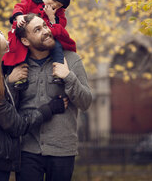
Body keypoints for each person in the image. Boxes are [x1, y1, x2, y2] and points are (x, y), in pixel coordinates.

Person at [0, 31, 69, 181]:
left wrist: (9, 83)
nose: (9, 46)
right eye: (4, 48)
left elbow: (7, 109)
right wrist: (49, 108)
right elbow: (17, 125)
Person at [7, 14, 93, 181]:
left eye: (45, 26)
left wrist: (68, 76)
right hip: (27, 150)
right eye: (37, 30)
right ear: (25, 40)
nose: (46, 31)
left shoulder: (71, 60)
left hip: (62, 150)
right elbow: (4, 106)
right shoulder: (17, 66)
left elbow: (86, 102)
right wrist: (9, 82)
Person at [3, 0, 77, 89]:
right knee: (18, 50)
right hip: (25, 35)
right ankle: (20, 78)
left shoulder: (58, 12)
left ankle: (58, 71)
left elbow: (60, 27)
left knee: (57, 46)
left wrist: (52, 18)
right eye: (53, 2)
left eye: (58, 5)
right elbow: (19, 7)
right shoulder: (31, 0)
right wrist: (19, 17)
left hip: (46, 38)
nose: (54, 6)